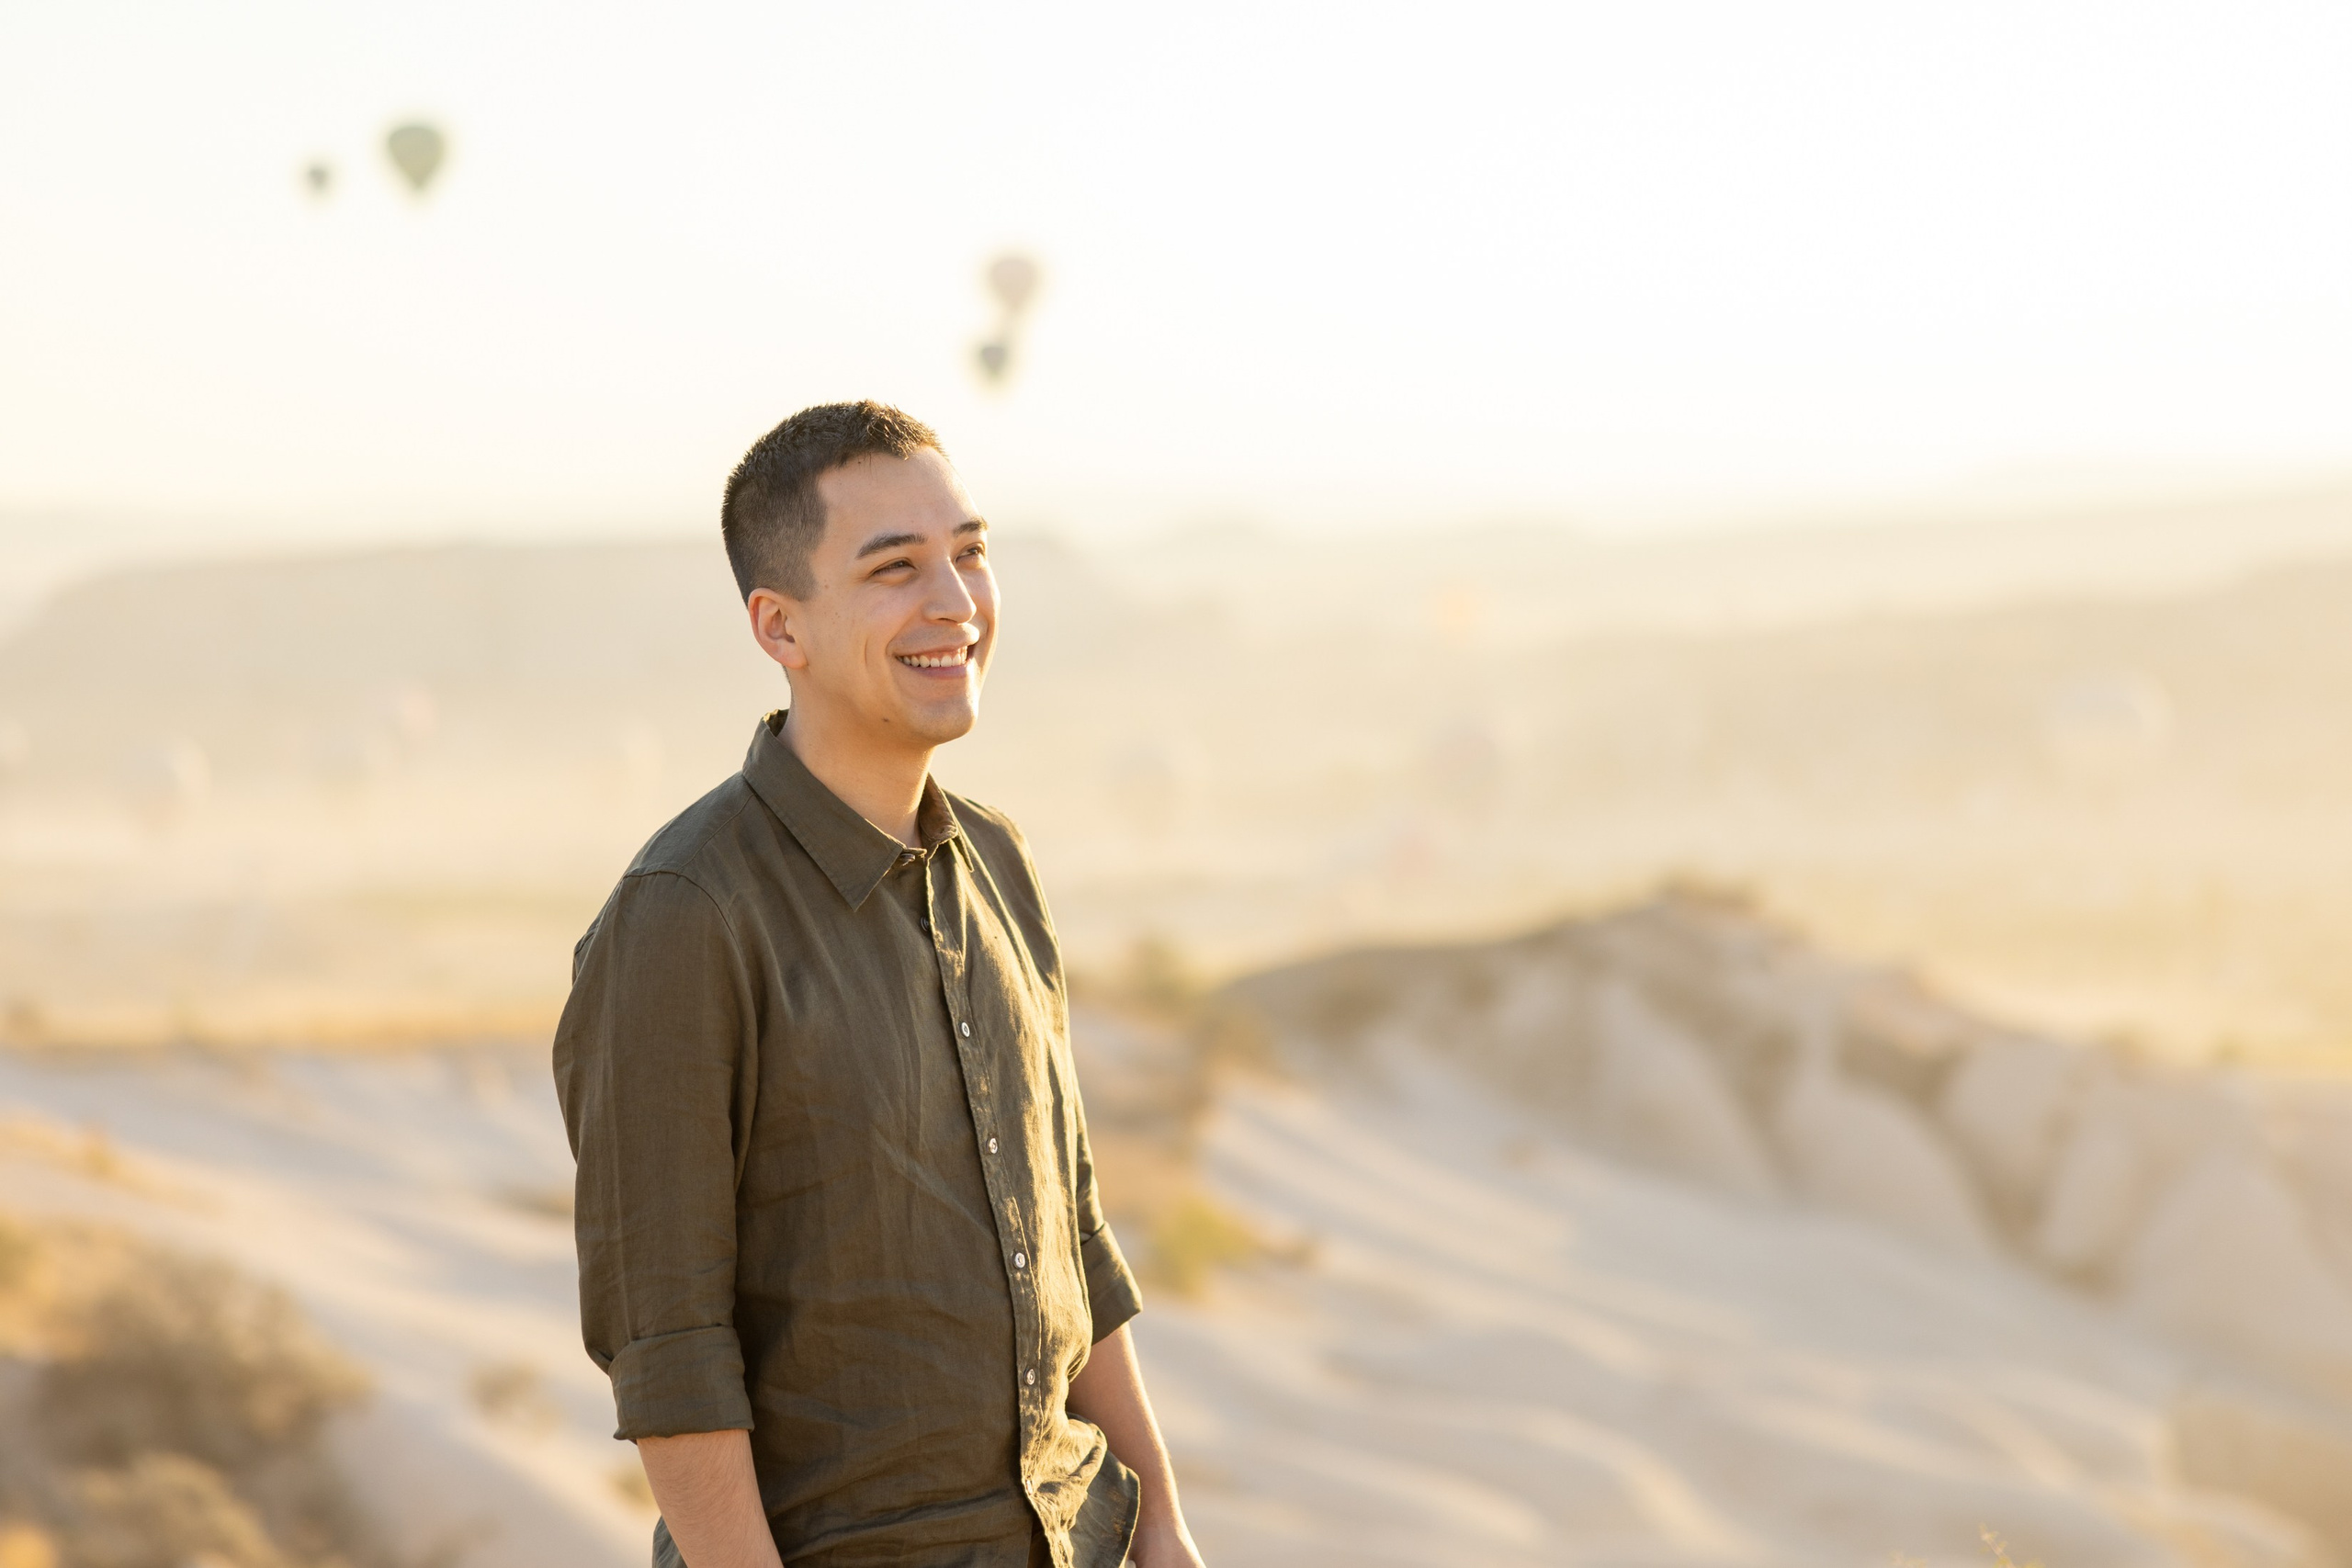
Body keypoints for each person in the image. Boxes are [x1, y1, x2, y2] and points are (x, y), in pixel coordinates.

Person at [554, 401, 1204, 1568]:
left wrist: (1160, 1520)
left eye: (969, 552)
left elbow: (1071, 1239)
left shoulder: (996, 861)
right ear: (780, 626)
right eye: (895, 568)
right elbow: (669, 1349)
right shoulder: (685, 915)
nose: (954, 601)